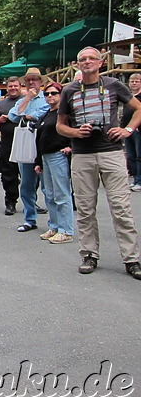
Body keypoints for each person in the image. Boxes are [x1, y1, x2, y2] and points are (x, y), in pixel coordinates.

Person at [57, 47, 141, 278]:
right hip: (82, 155)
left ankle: (131, 258)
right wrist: (75, 133)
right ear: (77, 64)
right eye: (82, 59)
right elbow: (60, 125)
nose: (87, 62)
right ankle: (89, 254)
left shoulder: (114, 85)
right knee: (85, 209)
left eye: (91, 58)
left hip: (111, 152)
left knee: (121, 208)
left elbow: (138, 109)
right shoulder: (70, 90)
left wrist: (127, 130)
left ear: (100, 62)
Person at [9, 68, 50, 233]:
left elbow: (44, 113)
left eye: (35, 79)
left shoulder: (47, 98)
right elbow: (13, 116)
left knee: (48, 186)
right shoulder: (22, 100)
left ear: (41, 82)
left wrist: (27, 114)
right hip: (26, 144)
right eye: (28, 80)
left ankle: (54, 223)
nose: (31, 82)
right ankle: (29, 219)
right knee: (26, 184)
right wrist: (27, 99)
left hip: (44, 144)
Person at [34, 82, 74, 244]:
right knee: (49, 194)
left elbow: (74, 130)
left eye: (54, 93)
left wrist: (70, 147)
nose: (50, 96)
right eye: (47, 94)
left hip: (58, 155)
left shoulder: (65, 113)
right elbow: (39, 139)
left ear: (61, 95)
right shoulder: (47, 114)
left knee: (61, 194)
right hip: (45, 156)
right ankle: (55, 226)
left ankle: (66, 230)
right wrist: (38, 161)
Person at [0, 77, 22, 215]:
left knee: (30, 173)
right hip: (7, 141)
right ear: (7, 88)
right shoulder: (1, 104)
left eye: (15, 86)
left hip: (25, 140)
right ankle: (10, 201)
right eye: (10, 86)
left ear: (20, 86)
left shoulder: (27, 101)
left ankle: (31, 201)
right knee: (8, 173)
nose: (13, 88)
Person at [123, 73, 141, 191]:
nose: (134, 83)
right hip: (126, 129)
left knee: (139, 156)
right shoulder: (127, 97)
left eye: (136, 81)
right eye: (132, 81)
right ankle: (135, 179)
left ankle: (139, 180)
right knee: (130, 156)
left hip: (138, 130)